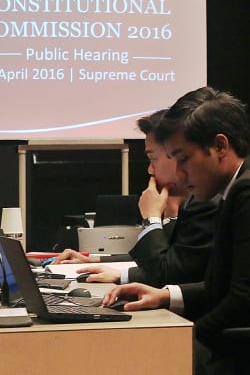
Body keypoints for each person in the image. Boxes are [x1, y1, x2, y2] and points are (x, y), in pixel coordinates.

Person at [102, 87, 250, 375]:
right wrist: (165, 296)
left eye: (184, 159)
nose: (179, 174)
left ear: (220, 146)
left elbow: (248, 304)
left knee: (137, 356)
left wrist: (185, 336)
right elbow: (235, 289)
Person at [51, 109, 218, 286]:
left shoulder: (207, 204)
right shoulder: (190, 203)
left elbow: (166, 273)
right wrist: (95, 260)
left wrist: (151, 219)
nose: (150, 170)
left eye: (153, 159)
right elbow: (171, 259)